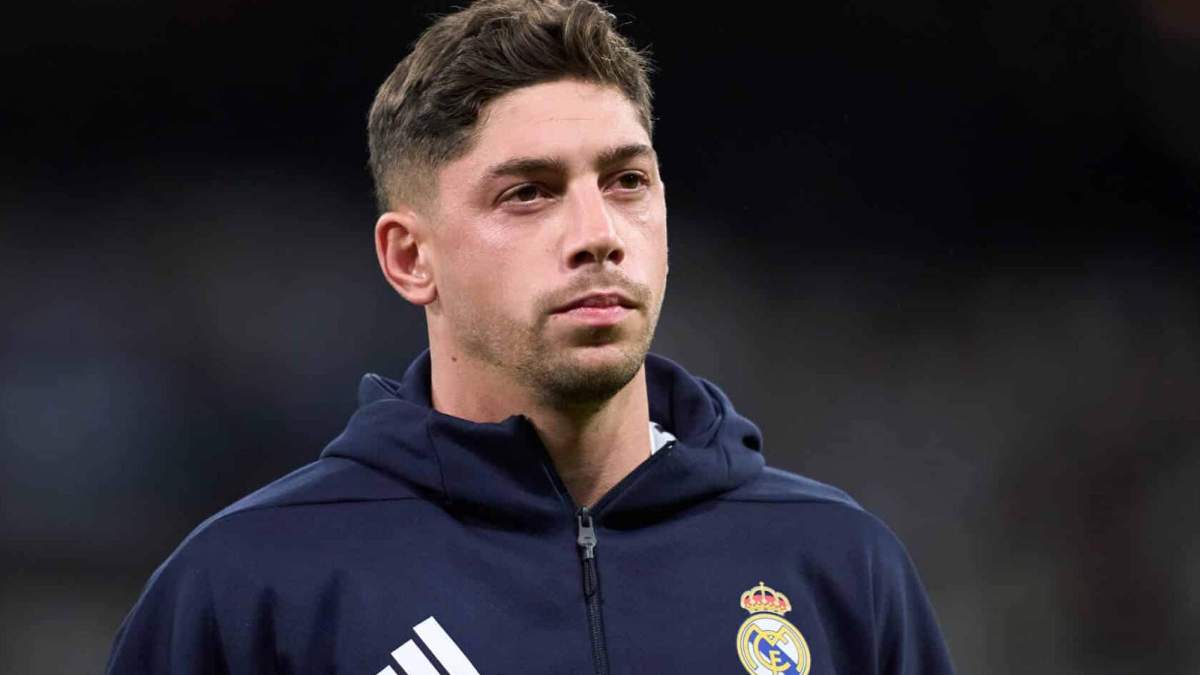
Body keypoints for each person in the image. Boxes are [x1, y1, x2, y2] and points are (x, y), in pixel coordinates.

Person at [106, 1, 956, 673]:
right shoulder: (250, 588)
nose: (598, 232)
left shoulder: (838, 566)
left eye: (626, 181)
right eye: (528, 193)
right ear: (410, 258)